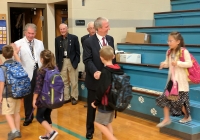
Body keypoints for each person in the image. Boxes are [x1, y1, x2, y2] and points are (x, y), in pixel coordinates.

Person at [83, 17, 115, 139]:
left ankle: (107, 132)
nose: (109, 28)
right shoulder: (88, 42)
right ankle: (89, 131)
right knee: (92, 108)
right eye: (107, 26)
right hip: (94, 81)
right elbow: (87, 60)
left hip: (108, 81)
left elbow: (112, 58)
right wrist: (95, 71)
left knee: (106, 108)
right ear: (99, 28)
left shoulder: (110, 39)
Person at [156, 31, 192, 127]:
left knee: (180, 101)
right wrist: (164, 64)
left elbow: (189, 63)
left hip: (180, 82)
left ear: (178, 41)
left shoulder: (184, 51)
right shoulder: (168, 52)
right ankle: (167, 119)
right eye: (168, 41)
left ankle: (187, 116)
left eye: (171, 41)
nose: (169, 43)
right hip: (172, 81)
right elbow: (168, 63)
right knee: (164, 99)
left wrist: (178, 63)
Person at [14, 23, 44, 126]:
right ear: (25, 32)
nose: (31, 35)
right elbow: (15, 60)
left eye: (33, 33)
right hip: (27, 74)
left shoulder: (40, 43)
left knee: (40, 94)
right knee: (28, 97)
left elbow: (42, 57)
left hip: (39, 71)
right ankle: (28, 117)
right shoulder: (18, 43)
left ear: (36, 33)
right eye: (29, 33)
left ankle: (41, 116)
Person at [91, 46, 122, 140]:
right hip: (113, 102)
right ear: (113, 56)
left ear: (101, 58)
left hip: (105, 103)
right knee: (108, 122)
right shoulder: (118, 69)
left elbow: (102, 90)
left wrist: (95, 102)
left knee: (97, 123)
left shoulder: (105, 72)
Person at [32, 50, 58, 140]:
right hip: (53, 97)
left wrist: (34, 99)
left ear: (42, 59)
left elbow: (38, 88)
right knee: (47, 115)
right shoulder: (55, 69)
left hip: (43, 98)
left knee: (39, 116)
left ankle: (51, 131)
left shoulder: (41, 71)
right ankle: (48, 135)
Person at [0, 45, 22, 140]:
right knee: (16, 112)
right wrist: (16, 53)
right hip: (18, 93)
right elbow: (20, 61)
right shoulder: (17, 64)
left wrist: (0, 95)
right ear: (12, 54)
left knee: (7, 113)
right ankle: (18, 130)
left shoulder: (3, 68)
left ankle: (14, 131)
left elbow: (2, 82)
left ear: (3, 55)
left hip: (8, 94)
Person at [55, 23, 80, 105]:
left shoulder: (74, 38)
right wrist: (57, 64)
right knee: (64, 81)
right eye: (61, 29)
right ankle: (66, 97)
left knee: (74, 81)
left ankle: (74, 97)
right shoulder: (57, 39)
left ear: (67, 29)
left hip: (72, 61)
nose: (62, 30)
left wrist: (76, 62)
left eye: (64, 29)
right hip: (62, 62)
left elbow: (78, 52)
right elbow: (57, 53)